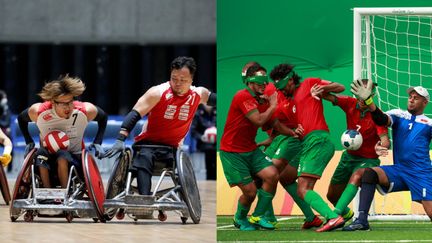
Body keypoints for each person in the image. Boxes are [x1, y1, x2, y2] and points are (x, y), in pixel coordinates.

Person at [104, 56, 216, 197]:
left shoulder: (198, 94)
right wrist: (120, 139)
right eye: (174, 78)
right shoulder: (157, 92)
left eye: (183, 80)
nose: (178, 83)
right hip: (148, 144)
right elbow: (134, 114)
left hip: (173, 147)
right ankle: (145, 199)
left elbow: (220, 100)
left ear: (191, 80)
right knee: (144, 157)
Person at [220, 62, 299, 231]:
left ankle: (259, 215)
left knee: (272, 175)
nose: (263, 84)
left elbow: (275, 124)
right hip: (232, 152)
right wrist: (272, 105)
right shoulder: (242, 96)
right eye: (259, 81)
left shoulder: (262, 100)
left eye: (265, 81)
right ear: (249, 81)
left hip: (251, 149)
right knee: (250, 192)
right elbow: (259, 120)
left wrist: (293, 133)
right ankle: (240, 218)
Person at [343, 82, 432, 231]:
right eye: (410, 96)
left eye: (415, 98)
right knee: (369, 174)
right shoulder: (398, 115)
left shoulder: (429, 123)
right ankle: (362, 220)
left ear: (425, 102)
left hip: (420, 173)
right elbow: (381, 119)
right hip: (399, 170)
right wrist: (369, 102)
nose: (411, 99)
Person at [269, 63, 347, 232]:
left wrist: (321, 89)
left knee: (303, 188)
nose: (281, 90)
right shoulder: (289, 101)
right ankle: (333, 215)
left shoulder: (309, 83)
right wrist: (295, 130)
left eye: (283, 86)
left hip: (317, 141)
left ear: (291, 80)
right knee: (286, 177)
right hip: (308, 143)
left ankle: (333, 217)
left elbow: (340, 87)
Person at [311, 80, 390, 231]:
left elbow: (385, 141)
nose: (361, 100)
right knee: (332, 196)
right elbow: (329, 96)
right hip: (349, 157)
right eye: (358, 96)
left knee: (357, 176)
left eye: (365, 97)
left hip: (368, 159)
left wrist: (381, 147)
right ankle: (345, 215)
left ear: (371, 96)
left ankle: (333, 217)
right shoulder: (349, 103)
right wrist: (318, 92)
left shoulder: (377, 116)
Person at [257, 73, 323, 229]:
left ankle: (267, 218)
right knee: (285, 178)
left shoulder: (272, 90)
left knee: (265, 173)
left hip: (292, 138)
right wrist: (271, 139)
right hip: (283, 138)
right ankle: (311, 217)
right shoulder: (261, 95)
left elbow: (284, 119)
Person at [17, 75, 107, 189]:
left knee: (62, 153)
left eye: (70, 102)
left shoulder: (84, 110)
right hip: (47, 162)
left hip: (75, 162)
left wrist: (98, 142)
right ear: (53, 103)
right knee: (40, 152)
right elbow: (21, 118)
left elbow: (103, 117)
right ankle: (46, 192)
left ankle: (64, 193)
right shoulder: (39, 111)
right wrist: (28, 141)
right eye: (63, 103)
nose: (68, 107)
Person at [191, 104, 217, 180]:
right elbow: (193, 131)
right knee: (208, 168)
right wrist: (201, 137)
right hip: (203, 146)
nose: (209, 105)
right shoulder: (198, 114)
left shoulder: (217, 113)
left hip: (216, 146)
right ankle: (209, 183)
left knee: (217, 167)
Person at [0, 90, 13, 171]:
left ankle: (10, 169)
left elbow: (5, 140)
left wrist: (6, 154)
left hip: (5, 130)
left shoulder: (6, 108)